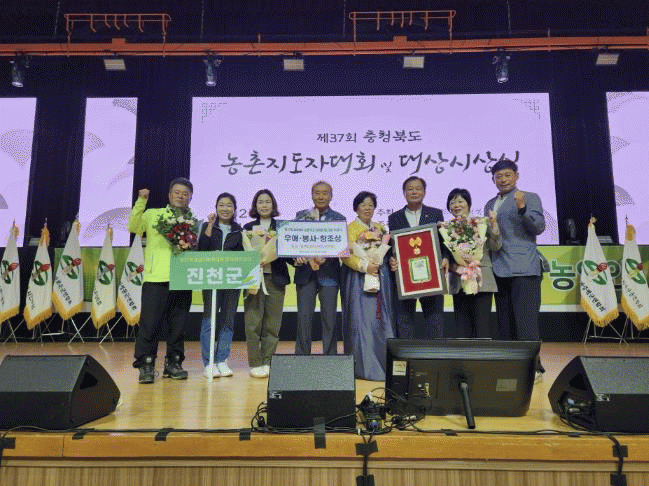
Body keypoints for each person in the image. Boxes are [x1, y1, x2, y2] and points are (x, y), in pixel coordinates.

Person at [128, 178, 195, 384]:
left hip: (181, 279)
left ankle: (174, 363)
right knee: (150, 325)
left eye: (185, 193)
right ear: (169, 194)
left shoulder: (192, 221)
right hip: (155, 278)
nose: (181, 196)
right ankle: (146, 364)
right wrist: (141, 201)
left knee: (178, 326)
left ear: (190, 198)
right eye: (177, 192)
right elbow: (133, 226)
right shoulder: (153, 214)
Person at [484, 159, 546, 378]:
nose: (503, 180)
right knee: (505, 323)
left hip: (524, 269)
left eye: (507, 175)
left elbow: (538, 227)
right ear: (493, 179)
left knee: (526, 323)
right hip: (499, 269)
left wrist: (522, 209)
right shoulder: (490, 203)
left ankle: (533, 369)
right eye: (498, 176)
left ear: (516, 176)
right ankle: (510, 367)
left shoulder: (529, 197)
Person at [341, 191, 395, 381]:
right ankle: (362, 367)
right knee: (360, 321)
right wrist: (364, 266)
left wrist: (383, 260)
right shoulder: (349, 228)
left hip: (380, 277)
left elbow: (387, 252)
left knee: (380, 320)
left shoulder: (380, 228)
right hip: (357, 278)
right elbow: (345, 255)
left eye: (371, 205)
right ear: (356, 208)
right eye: (363, 204)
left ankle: (382, 364)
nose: (367, 208)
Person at [388, 176, 449, 339]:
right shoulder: (394, 217)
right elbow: (391, 246)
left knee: (435, 319)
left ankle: (435, 353)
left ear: (424, 192)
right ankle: (405, 354)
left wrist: (445, 257)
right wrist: (391, 260)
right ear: (404, 193)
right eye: (410, 189)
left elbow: (444, 241)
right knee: (404, 321)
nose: (414, 192)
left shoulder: (435, 214)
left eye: (418, 188)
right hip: (405, 277)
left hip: (432, 274)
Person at [294, 181, 346, 355]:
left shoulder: (339, 219)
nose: (321, 196)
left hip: (329, 275)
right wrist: (298, 257)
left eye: (325, 193)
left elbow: (342, 246)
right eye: (317, 193)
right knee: (303, 318)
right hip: (305, 274)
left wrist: (329, 255)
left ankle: (330, 357)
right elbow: (292, 242)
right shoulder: (300, 216)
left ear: (331, 196)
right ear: (311, 195)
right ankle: (301, 357)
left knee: (330, 319)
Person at [243, 189, 290, 378]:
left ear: (273, 205)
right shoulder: (247, 227)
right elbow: (242, 254)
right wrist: (254, 260)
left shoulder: (282, 227)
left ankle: (268, 361)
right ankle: (255, 363)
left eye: (267, 201)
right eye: (260, 202)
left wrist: (299, 259)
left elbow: (288, 253)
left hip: (275, 279)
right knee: (252, 323)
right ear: (255, 205)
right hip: (253, 280)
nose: (264, 205)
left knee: (272, 324)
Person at [444, 188, 501, 339]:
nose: (457, 205)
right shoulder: (446, 228)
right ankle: (464, 355)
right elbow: (446, 255)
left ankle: (483, 355)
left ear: (468, 204)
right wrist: (454, 266)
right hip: (459, 279)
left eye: (460, 201)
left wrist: (494, 225)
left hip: (481, 279)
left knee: (482, 327)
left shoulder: (481, 223)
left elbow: (496, 246)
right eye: (452, 202)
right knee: (462, 328)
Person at [198, 192, 243, 378]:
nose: (225, 208)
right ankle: (208, 362)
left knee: (228, 321)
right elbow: (201, 249)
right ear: (216, 207)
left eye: (229, 205)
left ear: (234, 209)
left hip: (232, 281)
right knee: (209, 320)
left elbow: (243, 256)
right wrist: (209, 226)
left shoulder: (239, 231)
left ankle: (222, 360)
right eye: (221, 205)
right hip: (211, 279)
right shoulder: (207, 226)